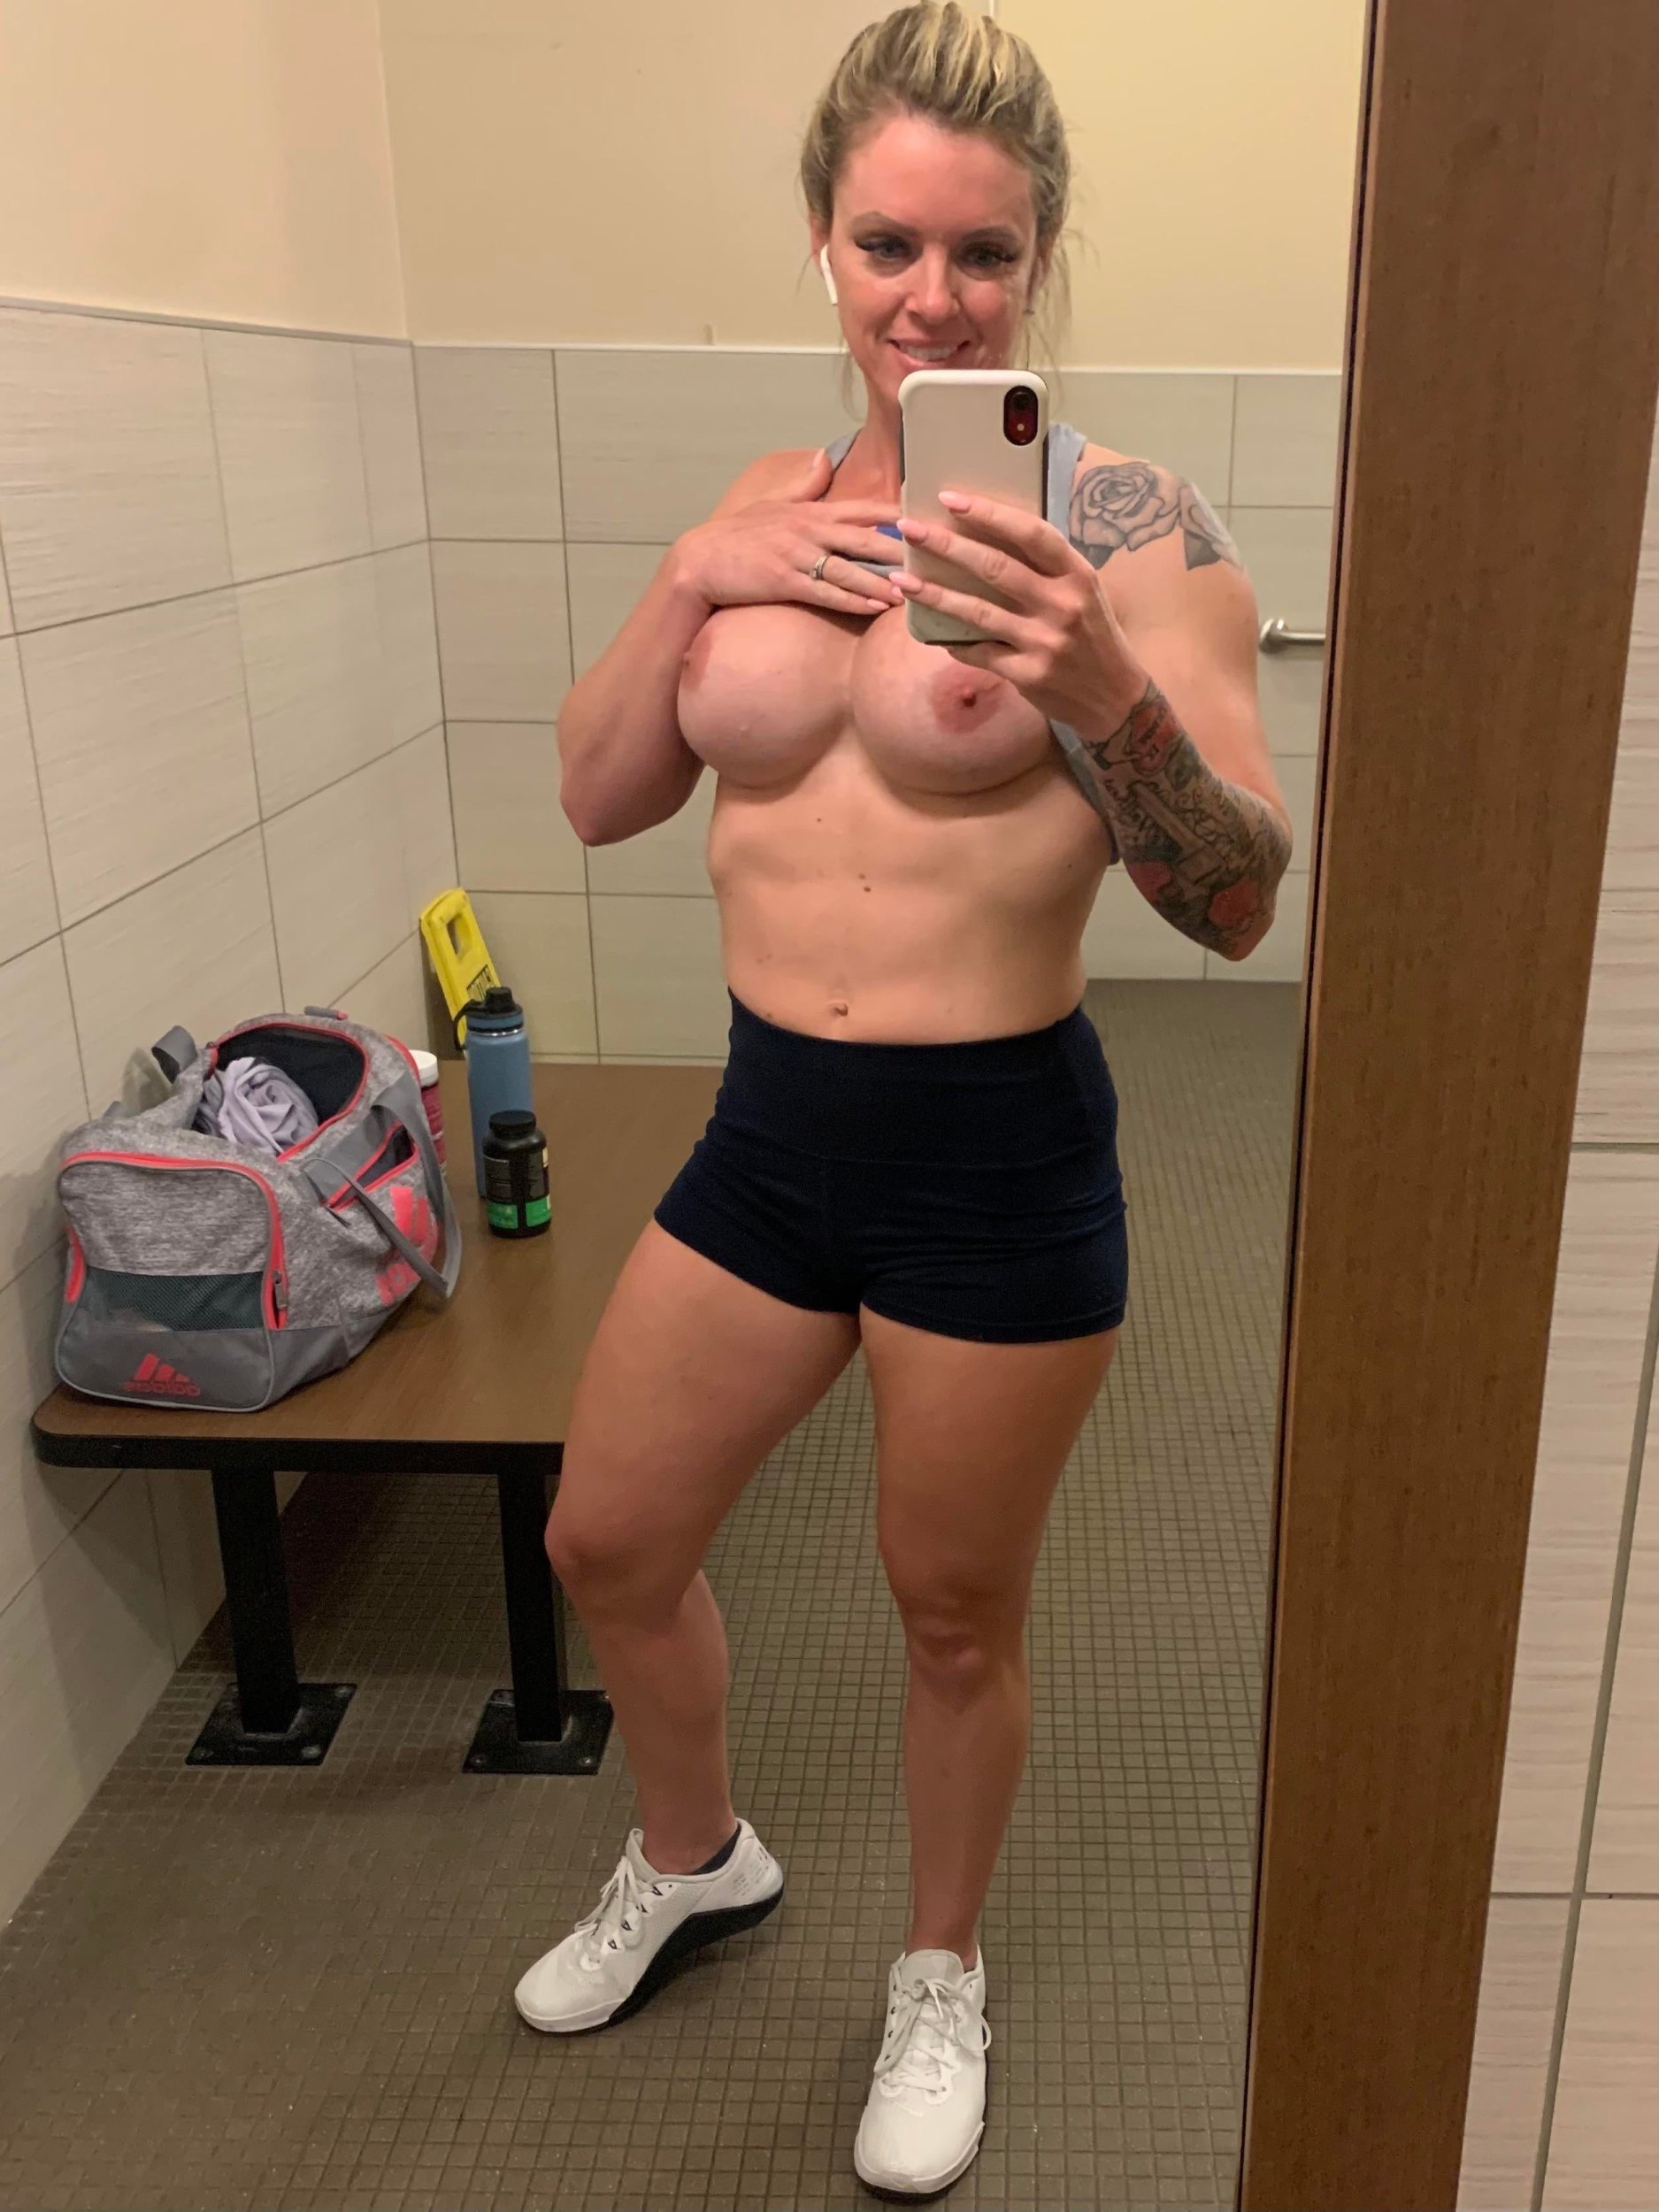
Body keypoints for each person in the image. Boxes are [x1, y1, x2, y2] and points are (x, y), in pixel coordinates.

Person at [514, 3, 1291, 2194]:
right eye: (886, 245)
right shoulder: (759, 510)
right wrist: (690, 578)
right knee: (605, 1536)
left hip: (991, 1156)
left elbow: (1238, 898)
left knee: (951, 1616)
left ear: (1038, 260)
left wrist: (1101, 686)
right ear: (822, 245)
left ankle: (937, 1966)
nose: (930, 298)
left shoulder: (1131, 530)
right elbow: (594, 794)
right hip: (769, 1135)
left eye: (981, 252)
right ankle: (697, 1854)